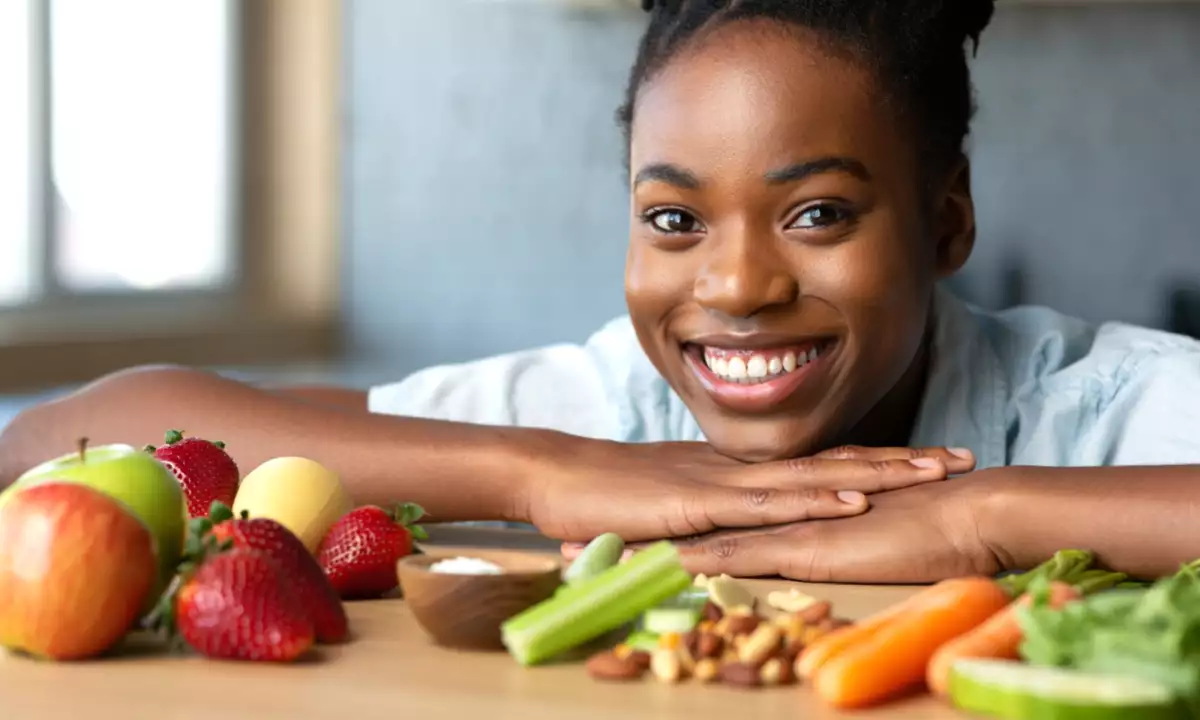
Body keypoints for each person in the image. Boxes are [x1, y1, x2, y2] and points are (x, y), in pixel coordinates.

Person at [3, 0, 1199, 584]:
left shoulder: (1089, 409)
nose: (735, 282)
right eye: (673, 220)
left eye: (817, 214)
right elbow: (56, 438)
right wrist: (532, 473)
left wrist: (975, 519)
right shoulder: (606, 416)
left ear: (946, 223)